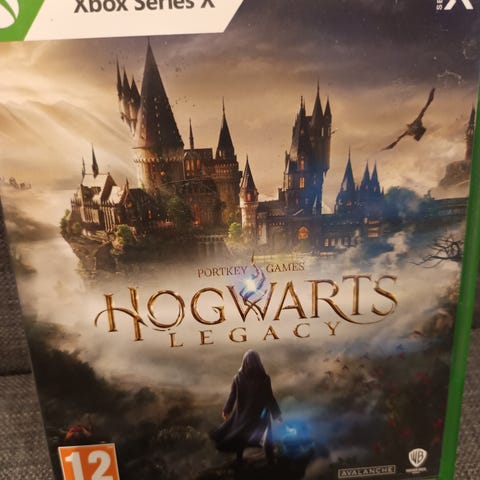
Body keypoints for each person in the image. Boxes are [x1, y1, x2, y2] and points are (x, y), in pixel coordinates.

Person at [211, 350, 282, 464]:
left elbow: (232, 396)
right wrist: (277, 415)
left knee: (241, 434)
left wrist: (227, 410)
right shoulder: (264, 378)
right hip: (260, 414)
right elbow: (270, 398)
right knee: (266, 435)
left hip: (244, 414)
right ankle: (270, 459)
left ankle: (240, 459)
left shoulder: (238, 378)